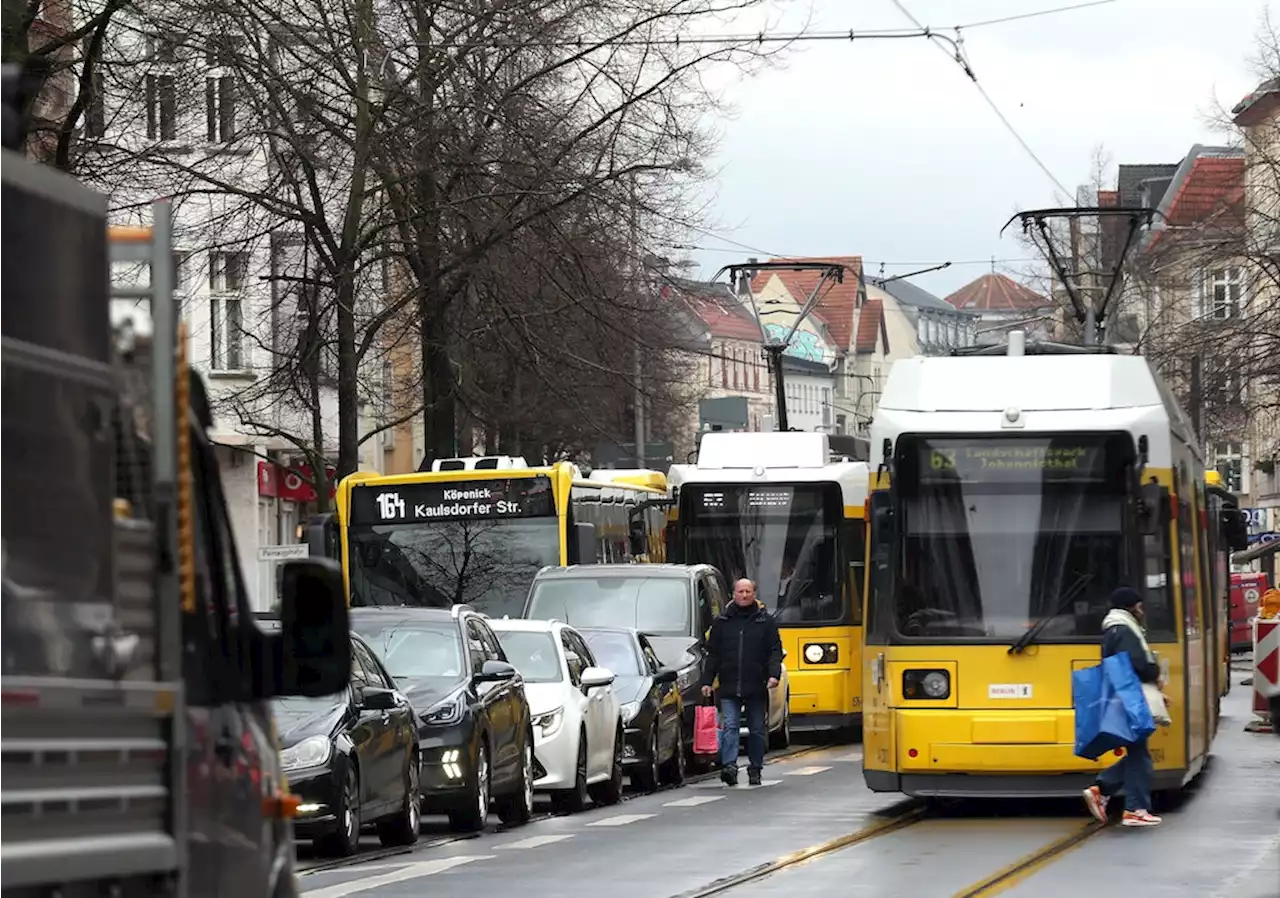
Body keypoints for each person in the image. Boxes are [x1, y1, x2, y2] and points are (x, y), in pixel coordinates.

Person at [1082, 586, 1166, 827]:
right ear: (1131, 607)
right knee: (1139, 755)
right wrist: (1154, 672)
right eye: (1139, 606)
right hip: (1130, 699)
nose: (1142, 611)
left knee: (1138, 753)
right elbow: (1137, 662)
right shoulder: (1124, 629)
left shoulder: (1115, 627)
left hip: (1125, 697)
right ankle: (1135, 808)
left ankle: (1104, 789)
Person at [700, 578, 783, 786]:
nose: (744, 595)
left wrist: (774, 675)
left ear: (754, 594)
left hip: (756, 685)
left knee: (756, 729)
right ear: (733, 595)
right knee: (730, 726)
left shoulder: (766, 622)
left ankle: (755, 768)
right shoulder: (722, 622)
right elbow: (713, 655)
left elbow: (775, 651)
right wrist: (707, 681)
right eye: (740, 592)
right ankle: (729, 766)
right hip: (729, 685)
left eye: (747, 591)